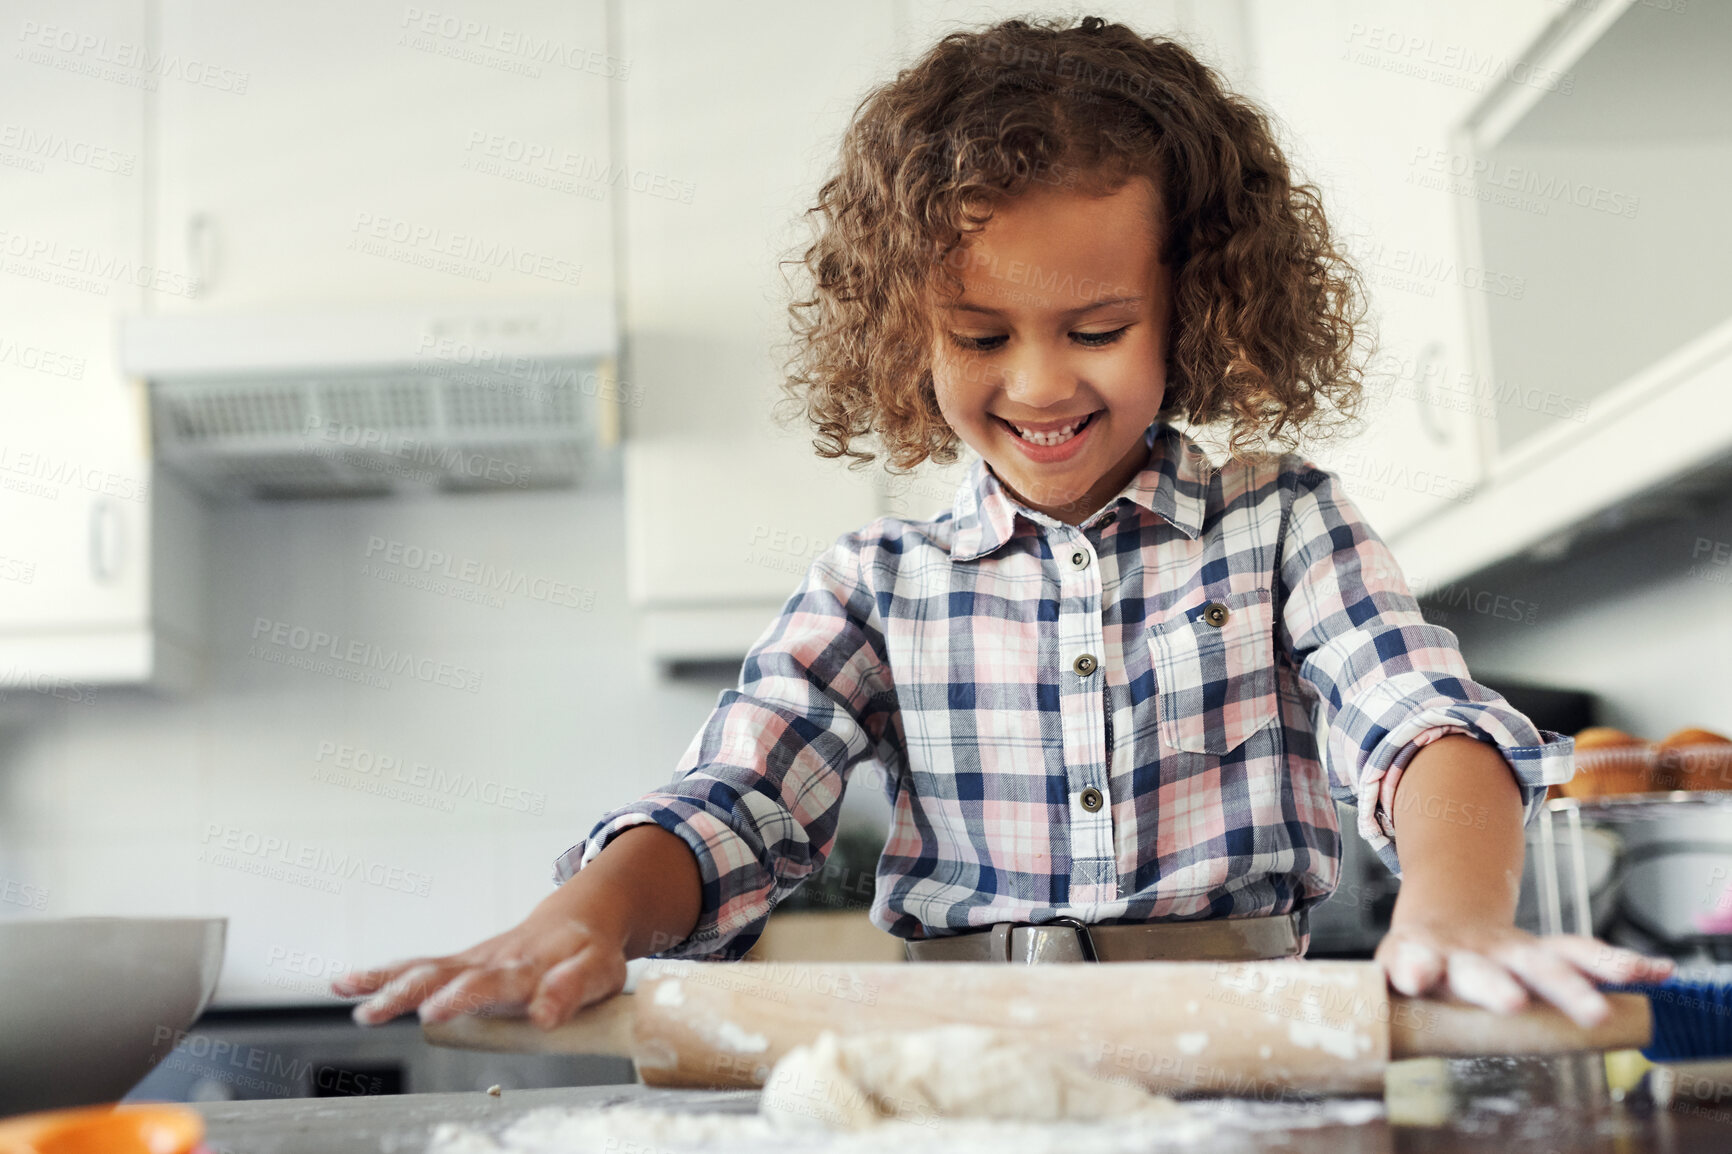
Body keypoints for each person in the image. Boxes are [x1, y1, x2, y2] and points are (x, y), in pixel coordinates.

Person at [336, 16, 1671, 1031]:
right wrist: (580, 919)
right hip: (962, 1057)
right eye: (980, 334)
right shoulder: (879, 580)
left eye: (1096, 328)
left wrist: (1452, 911)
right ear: (906, 330)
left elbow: (1421, 725)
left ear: (1195, 307)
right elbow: (738, 799)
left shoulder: (1282, 525)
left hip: (1243, 1044)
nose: (1037, 383)